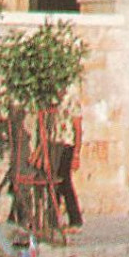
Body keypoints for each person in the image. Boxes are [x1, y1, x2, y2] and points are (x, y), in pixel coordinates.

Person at [50, 86, 84, 233]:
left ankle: (75, 219)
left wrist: (76, 153)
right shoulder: (53, 99)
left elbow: (77, 129)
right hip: (54, 145)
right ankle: (54, 218)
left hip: (67, 146)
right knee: (55, 181)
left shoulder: (72, 100)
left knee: (64, 181)